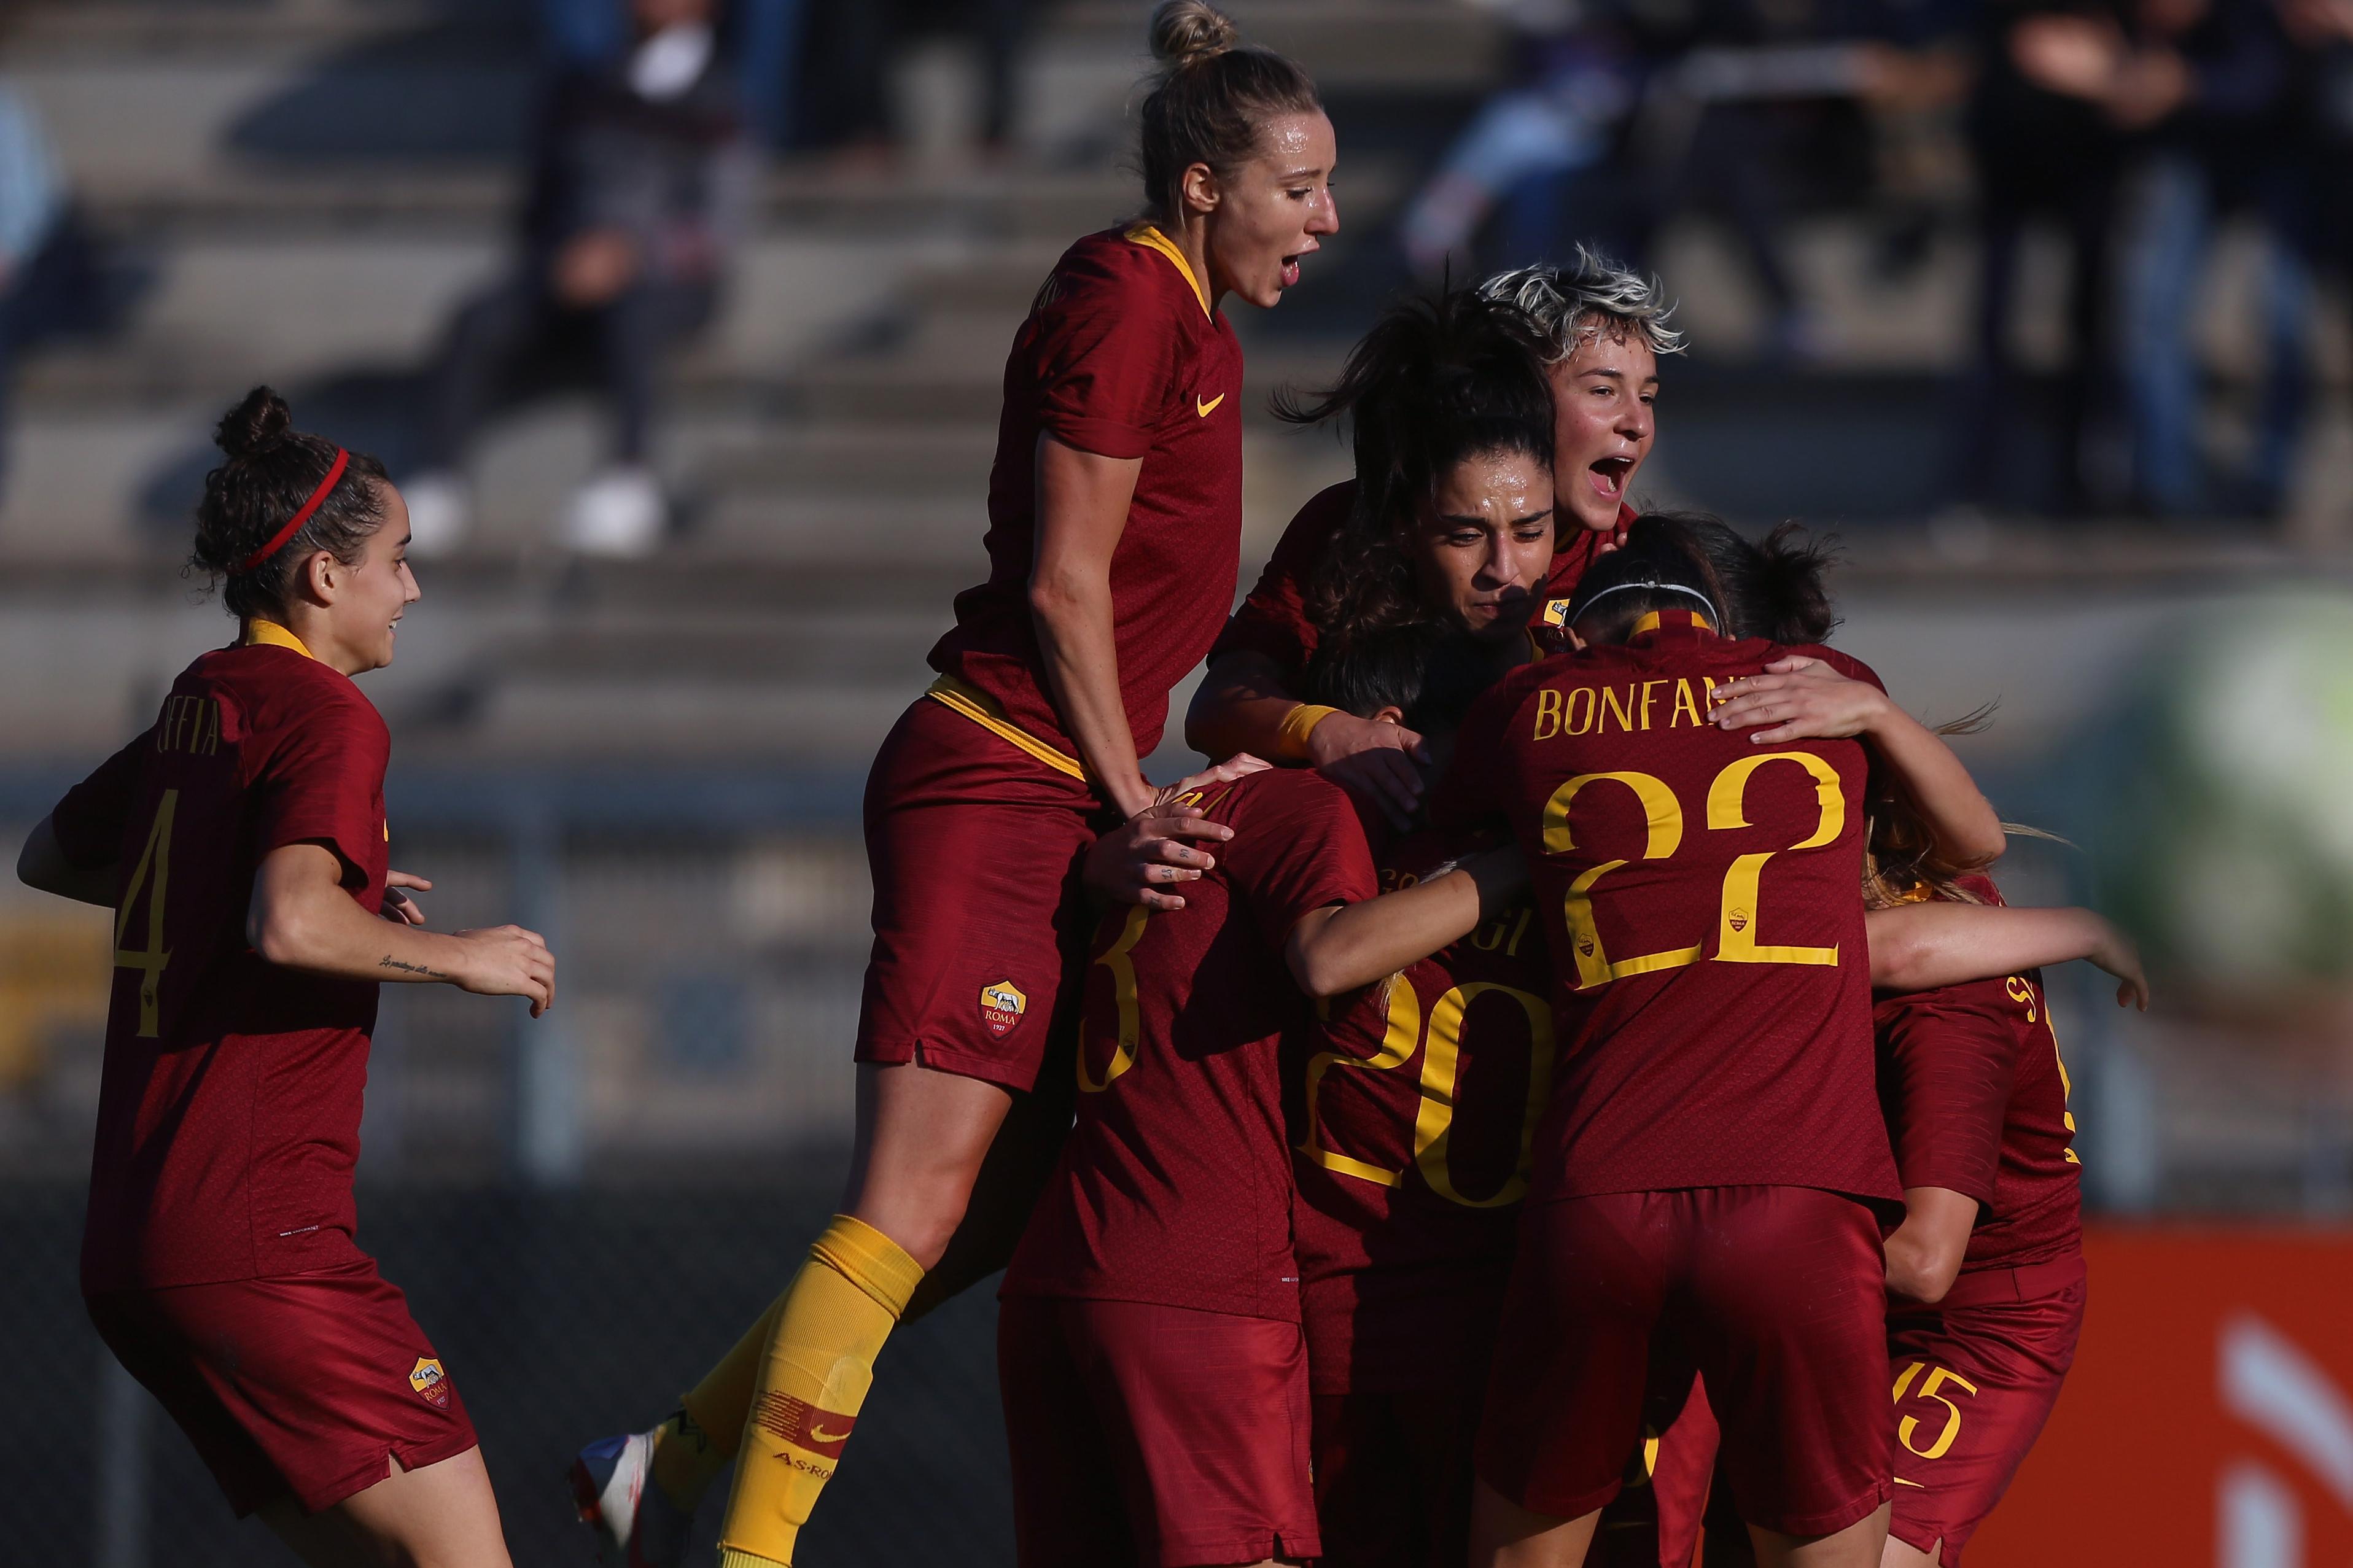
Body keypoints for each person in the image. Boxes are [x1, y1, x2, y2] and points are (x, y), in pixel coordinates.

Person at [569, 6, 1339, 1564]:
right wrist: (1134, 800)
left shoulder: (1196, 321)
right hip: (1003, 779)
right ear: (1205, 187)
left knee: (1006, 1198)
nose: (1325, 219)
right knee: (914, 1195)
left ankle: (673, 1448)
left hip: (1060, 786)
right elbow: (1063, 588)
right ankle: (746, 1547)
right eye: (1299, 186)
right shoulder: (1127, 299)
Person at [12, 388, 556, 1567]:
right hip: (263, 1241)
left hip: (135, 1251)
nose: (411, 588)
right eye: (397, 561)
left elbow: (50, 853)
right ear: (322, 576)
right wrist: (464, 955)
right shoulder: (331, 717)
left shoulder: (203, 697)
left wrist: (287, 894)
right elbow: (294, 923)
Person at [1437, 516, 2004, 1568]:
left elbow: (1435, 818)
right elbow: (1974, 843)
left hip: (1599, 1189)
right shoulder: (1817, 682)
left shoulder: (1523, 706)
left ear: (1573, 628)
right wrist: (1872, 712)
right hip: (1797, 1191)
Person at [998, 687, 1526, 1568]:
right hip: (1196, 1276)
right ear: (1380, 722)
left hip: (1058, 1270)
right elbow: (1330, 953)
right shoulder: (1307, 805)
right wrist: (1516, 861)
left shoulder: (1189, 806)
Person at [1187, 249, 1679, 827]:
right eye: (1603, 391)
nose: (1637, 423)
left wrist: (1816, 687)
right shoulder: (1353, 523)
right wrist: (1322, 730)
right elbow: (1216, 709)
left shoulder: (1640, 566)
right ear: (1515, 393)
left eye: (1647, 396)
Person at [405, 0, 755, 557]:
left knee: (634, 318)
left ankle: (630, 477)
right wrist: (562, 258)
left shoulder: (722, 100)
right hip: (567, 269)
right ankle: (440, 479)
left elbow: (719, 225)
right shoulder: (580, 87)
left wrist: (633, 255)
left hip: (666, 282)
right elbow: (540, 201)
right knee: (477, 320)